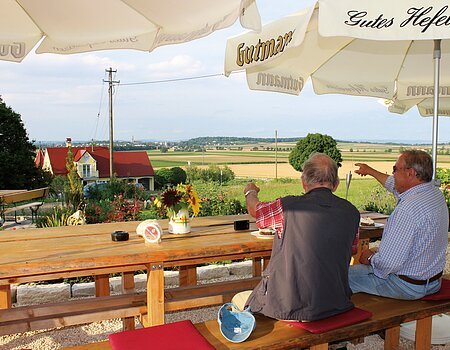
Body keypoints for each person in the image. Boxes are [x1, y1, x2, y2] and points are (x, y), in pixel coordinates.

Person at [243, 152, 360, 321]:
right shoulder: (352, 212)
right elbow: (353, 249)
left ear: (304, 182)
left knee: (241, 302)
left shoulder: (287, 207)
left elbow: (256, 211)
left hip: (287, 307)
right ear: (336, 184)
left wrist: (250, 192)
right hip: (336, 302)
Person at [349, 149, 448, 300]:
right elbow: (392, 184)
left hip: (407, 286)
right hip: (433, 282)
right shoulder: (434, 193)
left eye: (395, 169)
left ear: (411, 173)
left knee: (337, 277)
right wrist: (369, 171)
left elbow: (388, 265)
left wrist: (369, 258)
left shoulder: (407, 210)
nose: (393, 173)